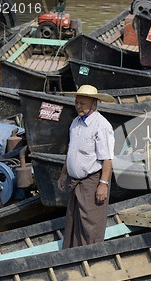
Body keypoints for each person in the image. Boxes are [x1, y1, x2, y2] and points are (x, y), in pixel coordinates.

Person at [57, 85, 115, 249]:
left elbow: (107, 159)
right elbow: (71, 151)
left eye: (83, 103)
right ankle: (73, 253)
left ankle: (91, 257)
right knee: (74, 221)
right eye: (77, 103)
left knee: (91, 224)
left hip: (92, 181)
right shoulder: (75, 123)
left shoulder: (101, 126)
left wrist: (103, 184)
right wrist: (63, 174)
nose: (79, 106)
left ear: (94, 104)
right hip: (76, 181)